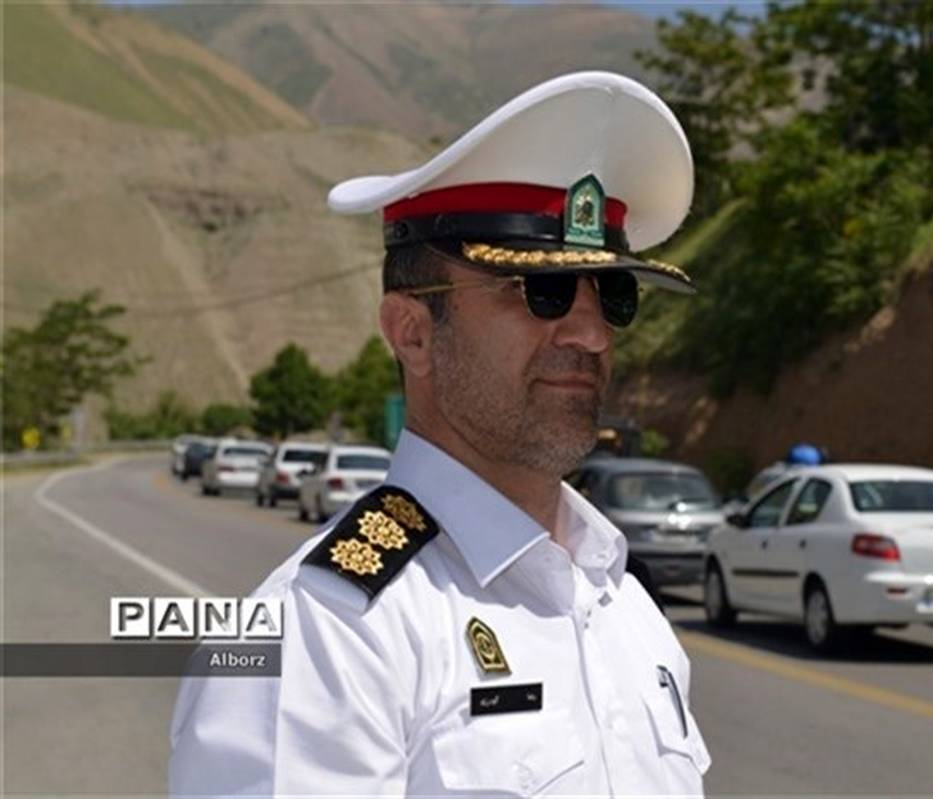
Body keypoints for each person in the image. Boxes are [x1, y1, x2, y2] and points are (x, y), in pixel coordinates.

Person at [168, 71, 710, 796]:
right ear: (413, 333)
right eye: (539, 291)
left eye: (612, 293)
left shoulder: (620, 598)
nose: (591, 334)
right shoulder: (328, 631)